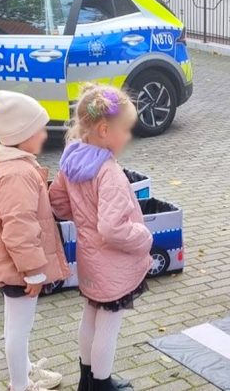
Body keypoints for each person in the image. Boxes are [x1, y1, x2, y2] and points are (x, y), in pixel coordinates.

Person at [49, 85, 152, 391]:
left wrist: (83, 217)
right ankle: (102, 385)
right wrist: (143, 236)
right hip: (113, 264)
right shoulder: (108, 173)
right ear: (105, 130)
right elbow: (112, 228)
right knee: (109, 323)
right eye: (126, 130)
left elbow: (58, 202)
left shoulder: (71, 161)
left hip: (90, 260)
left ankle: (86, 380)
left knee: (91, 316)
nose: (128, 137)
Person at [0, 91, 70, 391]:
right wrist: (33, 270)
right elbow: (19, 227)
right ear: (22, 134)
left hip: (11, 264)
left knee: (15, 325)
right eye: (39, 128)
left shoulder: (5, 165)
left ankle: (25, 369)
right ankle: (20, 385)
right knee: (19, 329)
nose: (44, 133)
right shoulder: (17, 173)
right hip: (19, 268)